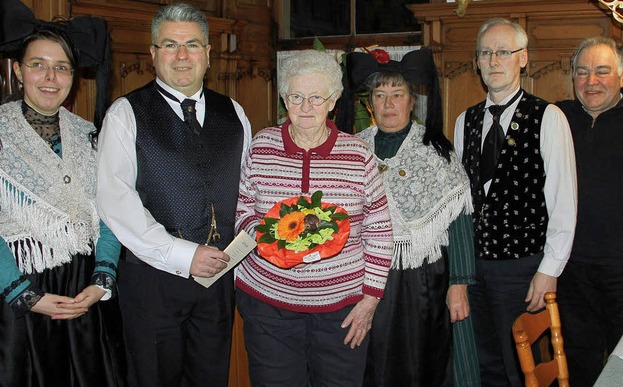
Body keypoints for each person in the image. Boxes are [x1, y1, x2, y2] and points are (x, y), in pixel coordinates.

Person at [96, 3, 252, 387]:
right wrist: (183, 255)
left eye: (193, 45)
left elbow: (249, 190)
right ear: (152, 54)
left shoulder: (234, 112)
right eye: (170, 45)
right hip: (152, 281)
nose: (182, 56)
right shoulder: (125, 113)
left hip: (218, 281)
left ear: (208, 53)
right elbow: (116, 201)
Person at [234, 49, 393, 387]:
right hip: (269, 305)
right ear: (284, 99)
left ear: (333, 100)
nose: (306, 108)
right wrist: (265, 236)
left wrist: (370, 299)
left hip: (342, 309)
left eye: (316, 97)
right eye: (296, 96)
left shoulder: (357, 154)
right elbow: (242, 206)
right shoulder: (262, 146)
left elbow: (379, 231)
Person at [337, 48, 480, 387]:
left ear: (412, 101)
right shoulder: (352, 148)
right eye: (380, 96)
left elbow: (459, 218)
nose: (388, 105)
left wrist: (459, 284)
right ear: (368, 104)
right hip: (364, 277)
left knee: (419, 362)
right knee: (368, 359)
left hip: (421, 282)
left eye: (397, 95)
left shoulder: (436, 150)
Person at [453, 18, 577, 386]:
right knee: (485, 363)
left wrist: (549, 269)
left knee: (523, 368)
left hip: (523, 267)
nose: (494, 61)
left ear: (522, 58)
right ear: (476, 62)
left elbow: (563, 201)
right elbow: (463, 202)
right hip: (476, 267)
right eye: (486, 53)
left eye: (503, 52)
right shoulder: (465, 121)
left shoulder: (549, 117)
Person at [0, 26, 124, 387]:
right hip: (19, 289)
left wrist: (103, 277)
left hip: (85, 291)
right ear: (19, 70)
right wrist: (23, 294)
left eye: (63, 67)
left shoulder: (89, 134)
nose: (51, 77)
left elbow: (109, 213)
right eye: (38, 65)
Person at [555, 36, 623, 386]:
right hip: (571, 274)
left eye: (602, 71)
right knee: (579, 369)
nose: (592, 81)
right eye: (583, 72)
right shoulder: (555, 119)